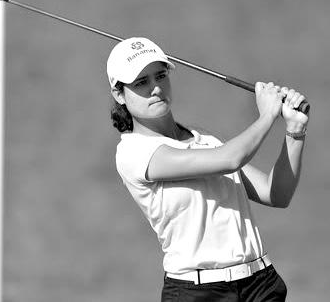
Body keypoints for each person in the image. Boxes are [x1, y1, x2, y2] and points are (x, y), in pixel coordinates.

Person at [106, 37, 309, 302]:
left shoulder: (205, 139)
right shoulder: (134, 152)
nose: (155, 88)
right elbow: (231, 159)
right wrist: (267, 115)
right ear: (119, 94)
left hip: (261, 284)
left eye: (160, 76)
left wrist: (295, 130)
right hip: (199, 292)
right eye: (141, 82)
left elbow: (275, 193)